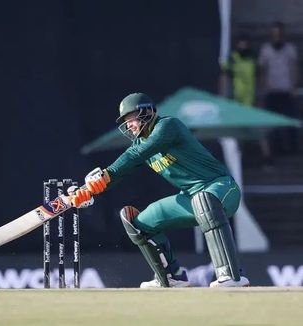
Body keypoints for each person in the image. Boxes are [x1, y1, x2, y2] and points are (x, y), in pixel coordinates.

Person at [69, 92, 250, 288]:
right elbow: (120, 173)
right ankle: (172, 277)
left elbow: (135, 155)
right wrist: (88, 190)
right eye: (126, 122)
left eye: (131, 119)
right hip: (190, 198)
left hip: (221, 188)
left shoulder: (168, 126)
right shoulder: (140, 143)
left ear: (146, 112)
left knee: (204, 200)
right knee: (139, 223)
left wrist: (106, 173)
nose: (128, 125)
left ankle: (231, 276)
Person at [219, 33, 273, 166]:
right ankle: (239, 159)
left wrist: (261, 97)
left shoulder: (254, 59)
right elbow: (224, 79)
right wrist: (223, 98)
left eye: (246, 44)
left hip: (252, 101)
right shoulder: (231, 59)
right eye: (241, 44)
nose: (243, 47)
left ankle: (267, 158)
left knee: (260, 130)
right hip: (236, 102)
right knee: (238, 132)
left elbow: (260, 79)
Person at [258, 22, 299, 155]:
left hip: (286, 90)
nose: (277, 36)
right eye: (275, 34)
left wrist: (293, 86)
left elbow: (294, 68)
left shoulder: (290, 49)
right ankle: (276, 149)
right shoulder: (265, 50)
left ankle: (293, 149)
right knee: (272, 123)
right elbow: (263, 71)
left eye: (279, 34)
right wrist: (263, 90)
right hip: (271, 91)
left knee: (290, 121)